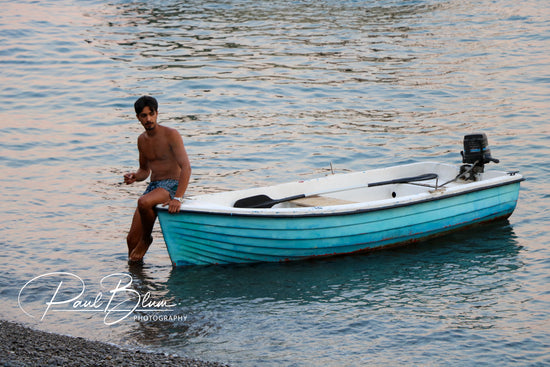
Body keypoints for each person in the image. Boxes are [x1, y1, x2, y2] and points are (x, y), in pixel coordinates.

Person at [123, 96, 191, 262]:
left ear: (157, 113)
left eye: (151, 114)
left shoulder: (171, 135)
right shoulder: (141, 140)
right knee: (131, 240)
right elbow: (145, 170)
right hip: (153, 186)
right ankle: (137, 280)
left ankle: (147, 239)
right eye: (144, 116)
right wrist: (134, 176)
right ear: (138, 117)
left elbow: (186, 168)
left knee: (143, 202)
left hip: (171, 186)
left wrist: (178, 198)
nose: (148, 119)